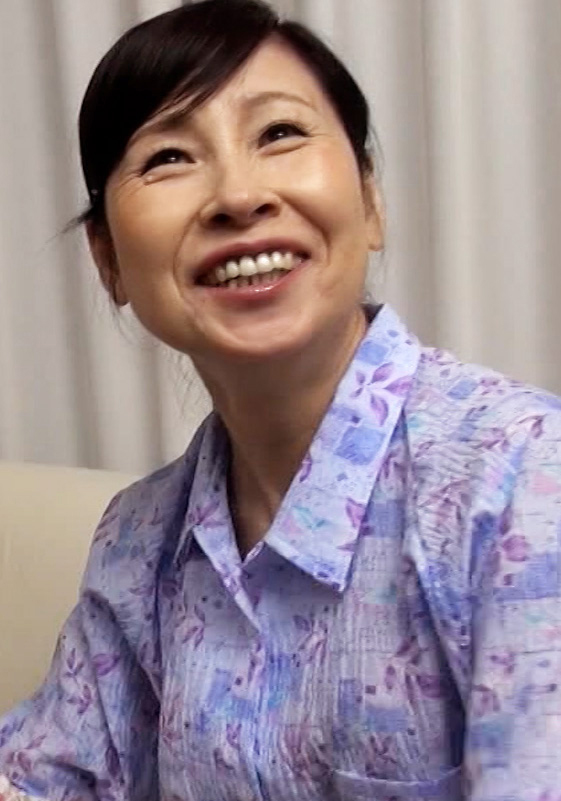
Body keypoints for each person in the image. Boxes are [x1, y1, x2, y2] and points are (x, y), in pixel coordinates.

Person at [1, 0, 561, 798]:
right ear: (109, 260)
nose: (238, 194)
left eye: (279, 134)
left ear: (369, 200)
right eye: (168, 157)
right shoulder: (138, 541)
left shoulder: (522, 485)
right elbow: (48, 778)